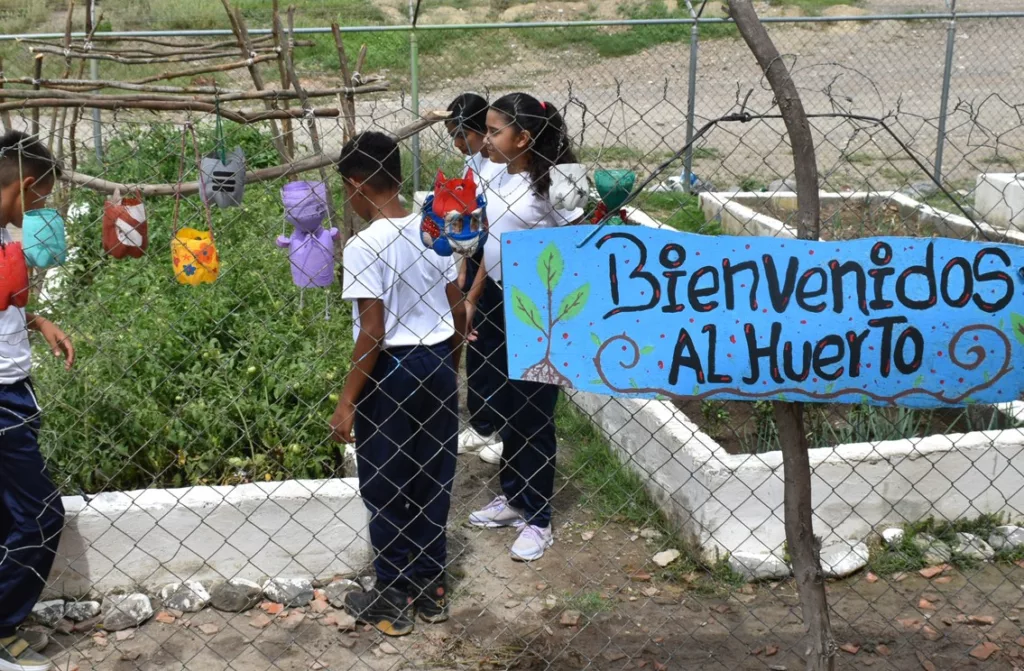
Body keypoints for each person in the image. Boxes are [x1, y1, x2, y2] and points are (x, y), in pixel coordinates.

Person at [329, 131, 466, 637]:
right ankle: (431, 588)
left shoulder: (365, 245)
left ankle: (391, 595)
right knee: (433, 478)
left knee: (385, 485)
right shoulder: (433, 230)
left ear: (355, 184)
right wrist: (450, 365)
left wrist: (347, 402)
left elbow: (373, 328)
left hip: (391, 373)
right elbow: (456, 308)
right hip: (436, 364)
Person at [466, 93, 583, 562]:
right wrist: (473, 297)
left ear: (524, 137)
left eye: (495, 131)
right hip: (496, 298)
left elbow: (584, 237)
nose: (486, 139)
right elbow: (491, 241)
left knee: (534, 413)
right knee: (508, 404)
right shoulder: (499, 174)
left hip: (538, 306)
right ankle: (514, 497)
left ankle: (538, 517)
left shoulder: (558, 183)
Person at [0, 131, 75, 671]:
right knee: (41, 516)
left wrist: (37, 319)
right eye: (44, 198)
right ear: (26, 187)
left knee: (13, 518)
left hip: (12, 390)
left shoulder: (4, 237)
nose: (45, 208)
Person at [444, 93, 504, 462]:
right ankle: (484, 422)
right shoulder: (475, 161)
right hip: (477, 252)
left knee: (490, 341)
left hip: (496, 259)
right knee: (478, 341)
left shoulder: (498, 167)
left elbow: (494, 226)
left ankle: (493, 426)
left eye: (460, 134)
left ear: (480, 130)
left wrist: (473, 290)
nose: (456, 143)